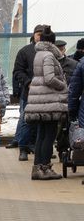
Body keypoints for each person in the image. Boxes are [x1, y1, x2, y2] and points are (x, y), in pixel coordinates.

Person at [25, 25, 68, 180]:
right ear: (52, 43)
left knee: (42, 135)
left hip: (40, 100)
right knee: (48, 135)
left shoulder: (39, 54)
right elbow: (49, 78)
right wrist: (63, 85)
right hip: (48, 101)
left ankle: (38, 168)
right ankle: (44, 166)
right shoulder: (49, 56)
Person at [12, 24, 46, 157]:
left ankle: (39, 147)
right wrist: (28, 82)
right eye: (38, 34)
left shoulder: (50, 52)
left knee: (43, 121)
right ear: (34, 35)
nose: (40, 37)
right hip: (29, 93)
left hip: (46, 94)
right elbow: (17, 71)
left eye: (43, 35)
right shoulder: (25, 51)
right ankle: (23, 148)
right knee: (27, 120)